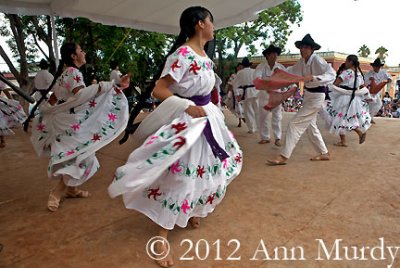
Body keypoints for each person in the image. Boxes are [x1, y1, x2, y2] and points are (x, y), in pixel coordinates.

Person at [108, 6, 242, 267]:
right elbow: (159, 89)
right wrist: (185, 106)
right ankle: (161, 237)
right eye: (211, 21)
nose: (214, 26)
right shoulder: (182, 54)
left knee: (208, 169)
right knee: (183, 175)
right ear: (200, 24)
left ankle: (192, 210)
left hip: (207, 119)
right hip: (189, 121)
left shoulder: (204, 55)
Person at [30, 43, 129, 212]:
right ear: (73, 56)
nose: (84, 52)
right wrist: (108, 86)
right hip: (71, 124)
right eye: (81, 50)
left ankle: (71, 189)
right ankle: (57, 192)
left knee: (76, 156)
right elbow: (82, 96)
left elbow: (55, 97)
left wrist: (47, 111)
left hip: (65, 121)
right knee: (84, 158)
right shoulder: (73, 72)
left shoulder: (63, 74)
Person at [267, 34, 336, 165]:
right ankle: (324, 153)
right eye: (301, 47)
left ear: (311, 49)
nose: (302, 50)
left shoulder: (317, 60)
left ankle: (284, 156)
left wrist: (316, 78)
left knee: (295, 124)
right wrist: (279, 72)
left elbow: (332, 73)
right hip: (309, 95)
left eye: (305, 47)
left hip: (317, 96)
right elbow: (292, 71)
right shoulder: (301, 62)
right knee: (310, 125)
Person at [321, 55, 371, 147]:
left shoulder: (347, 72)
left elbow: (335, 84)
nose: (345, 63)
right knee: (343, 118)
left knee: (339, 118)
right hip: (355, 99)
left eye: (346, 61)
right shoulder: (359, 74)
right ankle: (344, 140)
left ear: (350, 62)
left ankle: (358, 133)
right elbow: (361, 86)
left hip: (343, 98)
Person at [253, 44, 286, 146]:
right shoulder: (261, 67)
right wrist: (270, 82)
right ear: (267, 55)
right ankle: (265, 137)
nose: (274, 56)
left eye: (276, 54)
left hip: (277, 95)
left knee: (277, 116)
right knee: (263, 117)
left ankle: (277, 137)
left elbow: (285, 80)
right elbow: (257, 79)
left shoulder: (280, 67)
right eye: (272, 54)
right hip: (264, 95)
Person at [234, 57, 259, 133]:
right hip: (256, 91)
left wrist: (237, 94)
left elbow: (235, 84)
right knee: (257, 110)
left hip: (247, 92)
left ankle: (251, 128)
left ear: (243, 65)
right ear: (249, 65)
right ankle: (259, 127)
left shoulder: (240, 73)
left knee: (248, 111)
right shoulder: (255, 71)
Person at [0, 80, 26, 148]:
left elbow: (5, 90)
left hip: (1, 101)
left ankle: (2, 140)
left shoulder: (1, 80)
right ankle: (2, 140)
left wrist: (11, 101)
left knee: (1, 122)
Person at [364, 58, 392, 123]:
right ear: (373, 66)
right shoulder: (369, 73)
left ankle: (370, 117)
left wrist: (388, 80)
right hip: (369, 91)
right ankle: (367, 118)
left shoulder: (383, 72)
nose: (376, 68)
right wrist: (369, 80)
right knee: (369, 105)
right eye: (375, 66)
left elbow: (389, 78)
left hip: (377, 92)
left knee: (378, 104)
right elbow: (364, 82)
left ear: (380, 67)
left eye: (377, 67)